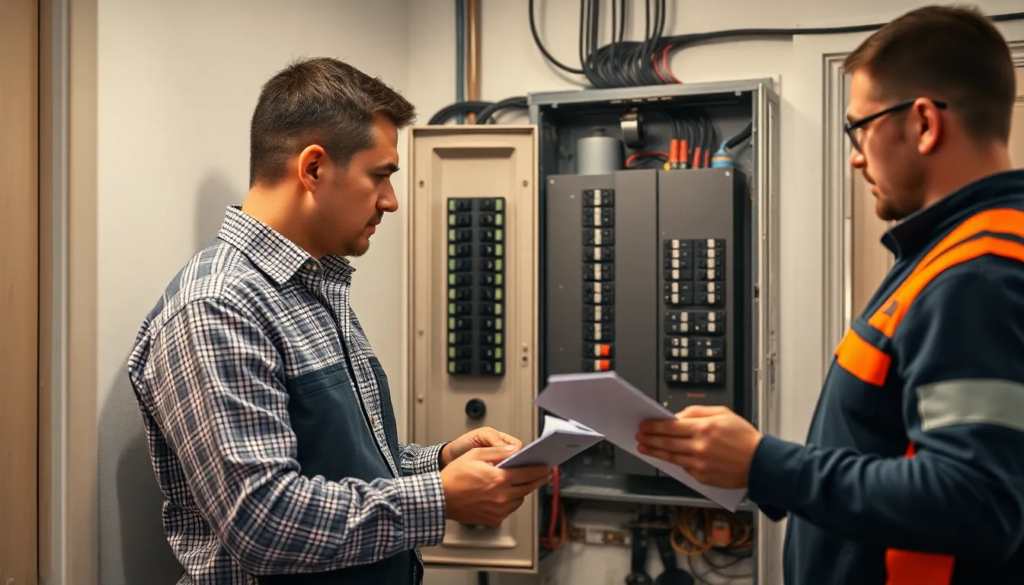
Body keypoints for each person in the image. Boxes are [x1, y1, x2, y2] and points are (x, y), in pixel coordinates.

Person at [635, 6, 1024, 584]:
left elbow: (976, 500)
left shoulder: (978, 275)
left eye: (859, 128)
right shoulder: (946, 257)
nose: (856, 155)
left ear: (923, 123)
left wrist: (765, 463)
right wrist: (753, 464)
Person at [126, 57, 550, 585]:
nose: (391, 201)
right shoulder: (218, 307)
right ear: (313, 169)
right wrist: (440, 498)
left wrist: (439, 462)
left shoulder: (314, 287)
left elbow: (342, 467)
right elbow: (264, 523)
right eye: (380, 176)